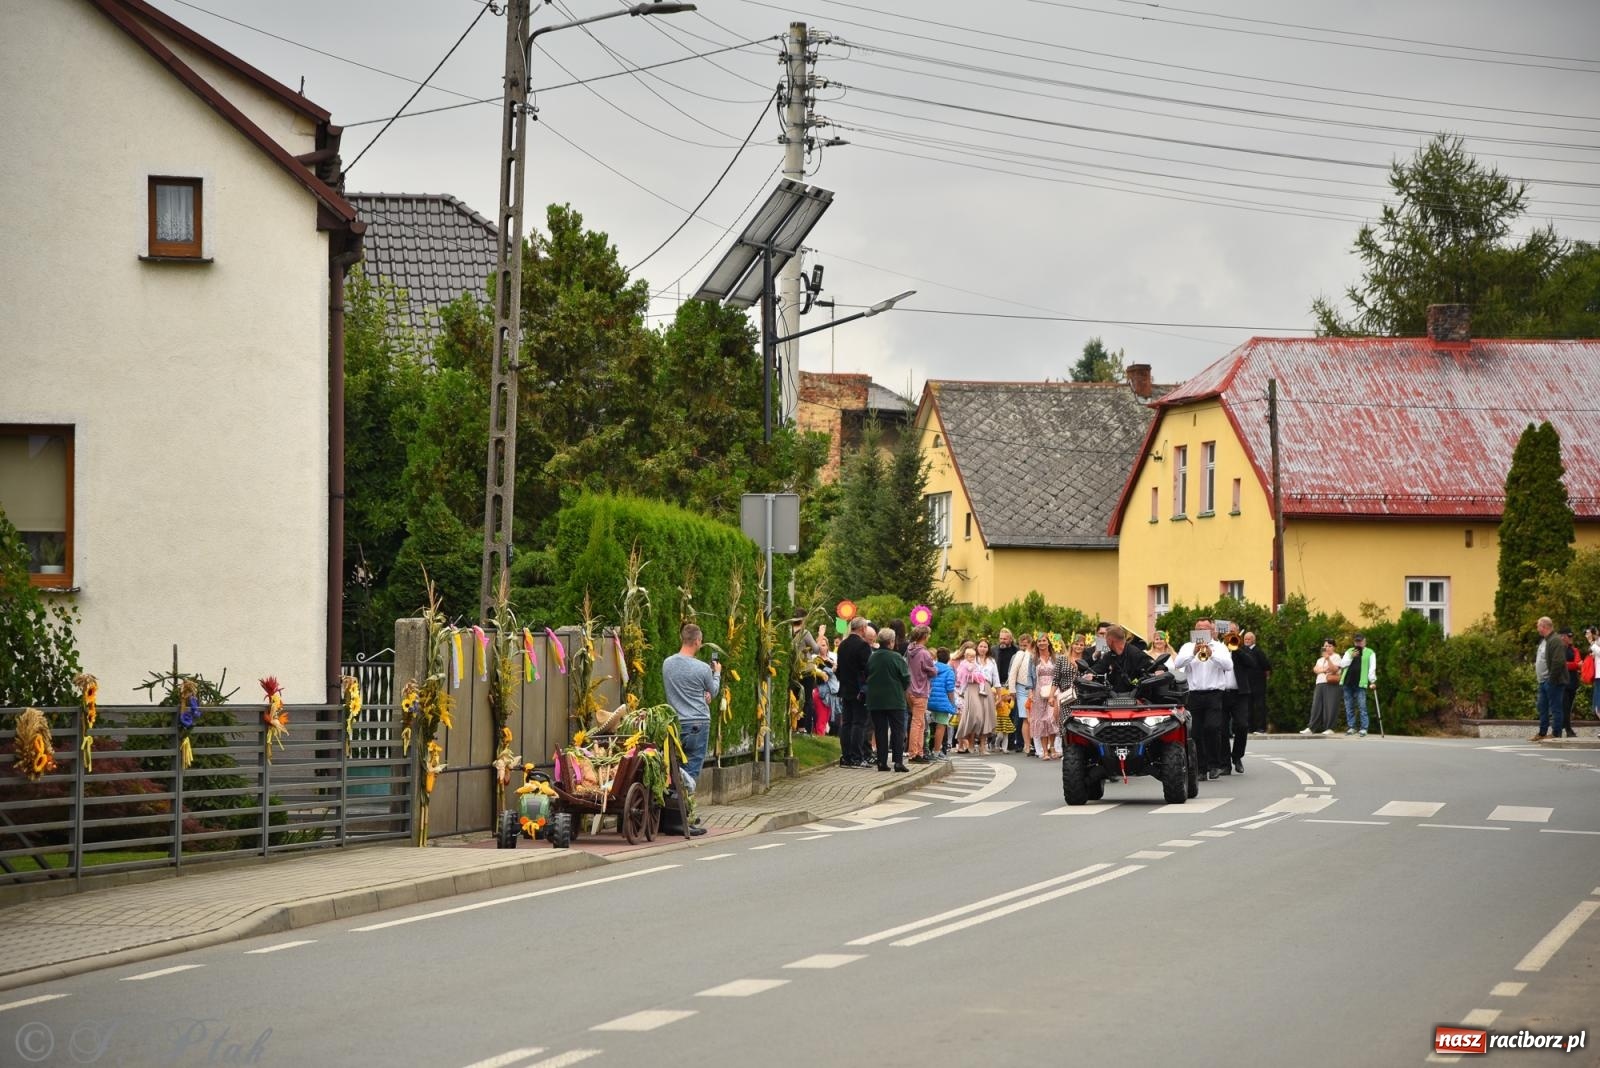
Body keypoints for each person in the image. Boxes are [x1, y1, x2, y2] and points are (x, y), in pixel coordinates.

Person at [661, 624, 718, 836]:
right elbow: (712, 692)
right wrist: (717, 674)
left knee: (676, 767)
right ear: (697, 641)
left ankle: (677, 813)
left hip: (675, 724)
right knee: (690, 772)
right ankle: (685, 820)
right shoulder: (703, 668)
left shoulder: (667, 664)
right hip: (698, 723)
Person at [1173, 618, 1232, 779]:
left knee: (1212, 728)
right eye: (1198, 629)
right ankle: (1201, 768)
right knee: (1196, 732)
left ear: (1212, 631)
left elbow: (1228, 666)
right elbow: (1177, 663)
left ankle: (1215, 764)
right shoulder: (1188, 646)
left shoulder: (1219, 647)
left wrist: (1212, 655)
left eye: (1205, 629)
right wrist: (1193, 653)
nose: (1202, 632)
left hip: (1214, 693)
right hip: (1194, 693)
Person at [866, 627, 912, 772]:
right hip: (895, 699)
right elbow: (906, 678)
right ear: (891, 642)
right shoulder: (897, 657)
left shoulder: (872, 656)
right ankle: (898, 762)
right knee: (898, 731)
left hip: (876, 700)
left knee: (880, 731)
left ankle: (881, 762)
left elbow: (867, 674)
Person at [835, 617, 874, 767]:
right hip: (859, 690)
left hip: (845, 688)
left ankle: (846, 756)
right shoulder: (863, 646)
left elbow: (839, 668)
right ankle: (857, 756)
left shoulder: (842, 645)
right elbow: (868, 669)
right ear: (863, 629)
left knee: (846, 723)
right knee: (858, 723)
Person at [954, 642, 999, 754]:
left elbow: (996, 678)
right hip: (972, 687)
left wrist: (999, 693)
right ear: (977, 647)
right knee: (975, 715)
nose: (983, 649)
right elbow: (962, 672)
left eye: (985, 646)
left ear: (988, 648)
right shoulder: (972, 658)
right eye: (981, 646)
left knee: (985, 717)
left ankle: (982, 746)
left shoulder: (991, 661)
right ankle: (971, 743)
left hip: (986, 687)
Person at [1532, 616, 1569, 741]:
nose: (1537, 629)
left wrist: (1552, 680)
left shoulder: (1555, 640)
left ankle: (1556, 733)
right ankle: (1542, 733)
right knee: (1542, 707)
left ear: (1544, 626)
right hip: (1543, 681)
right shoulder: (1545, 640)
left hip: (1554, 681)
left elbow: (1558, 662)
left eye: (1538, 626)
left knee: (1555, 708)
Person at [905, 624, 937, 763]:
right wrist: (934, 670)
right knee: (918, 723)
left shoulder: (909, 649)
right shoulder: (924, 653)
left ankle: (918, 751)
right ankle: (915, 753)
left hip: (909, 690)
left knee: (918, 722)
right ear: (924, 636)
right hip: (920, 690)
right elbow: (932, 670)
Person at [1302, 639, 1343, 737]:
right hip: (1320, 683)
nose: (1327, 648)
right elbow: (1315, 670)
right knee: (1316, 706)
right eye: (1325, 646)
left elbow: (1333, 669)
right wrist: (1324, 669)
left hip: (1331, 683)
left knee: (1330, 706)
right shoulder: (1320, 660)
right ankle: (1311, 727)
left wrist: (1328, 659)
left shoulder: (1336, 657)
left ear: (1334, 647)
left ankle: (1330, 728)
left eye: (1329, 646)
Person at [1340, 633, 1378, 737]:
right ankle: (1351, 727)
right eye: (1357, 641)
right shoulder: (1349, 651)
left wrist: (1372, 681)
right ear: (1354, 642)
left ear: (1364, 641)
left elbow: (1372, 668)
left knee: (1362, 706)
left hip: (1360, 683)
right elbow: (1342, 664)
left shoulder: (1370, 652)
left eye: (1360, 641)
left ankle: (1364, 728)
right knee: (1349, 706)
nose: (1359, 643)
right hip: (1347, 682)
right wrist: (1351, 657)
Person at [1234, 631, 1272, 734]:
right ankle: (1250, 727)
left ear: (1253, 640)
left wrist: (1265, 676)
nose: (1246, 641)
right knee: (1248, 707)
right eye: (1245, 639)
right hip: (1248, 683)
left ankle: (1261, 728)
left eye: (1249, 639)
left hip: (1258, 683)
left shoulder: (1258, 651)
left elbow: (1266, 665)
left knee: (1259, 706)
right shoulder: (1242, 650)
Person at [927, 647, 958, 759]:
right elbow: (950, 689)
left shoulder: (932, 668)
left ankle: (927, 749)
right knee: (941, 726)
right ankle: (936, 751)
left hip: (930, 701)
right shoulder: (949, 671)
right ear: (949, 658)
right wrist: (952, 704)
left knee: (930, 726)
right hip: (942, 702)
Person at [1007, 634, 1035, 757]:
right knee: (1025, 717)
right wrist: (1012, 690)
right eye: (1022, 645)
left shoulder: (1035, 654)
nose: (1023, 647)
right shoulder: (1019, 655)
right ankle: (1027, 745)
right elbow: (1012, 672)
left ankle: (1035, 744)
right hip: (1021, 688)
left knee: (1034, 717)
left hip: (1034, 688)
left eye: (1026, 645)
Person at [994, 629, 1021, 751]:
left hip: (1011, 686)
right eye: (1001, 638)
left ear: (1010, 639)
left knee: (1011, 713)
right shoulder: (994, 650)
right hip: (997, 686)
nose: (1002, 641)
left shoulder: (1017, 651)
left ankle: (1010, 742)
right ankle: (995, 741)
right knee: (998, 713)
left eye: (1005, 639)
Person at [1557, 630, 1581, 738]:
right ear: (1562, 637)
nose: (1570, 638)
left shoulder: (1574, 650)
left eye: (1571, 636)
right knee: (1565, 707)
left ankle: (1561, 728)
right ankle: (1568, 729)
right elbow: (1559, 664)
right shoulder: (1557, 649)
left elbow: (1578, 664)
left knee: (1568, 707)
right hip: (1562, 682)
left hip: (1573, 682)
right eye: (1568, 636)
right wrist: (1573, 665)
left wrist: (1568, 664)